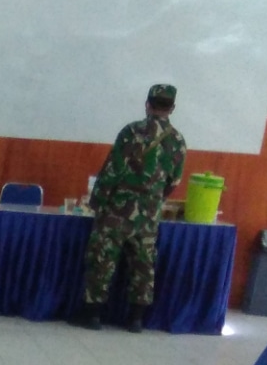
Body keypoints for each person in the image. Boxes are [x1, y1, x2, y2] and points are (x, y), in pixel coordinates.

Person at [71, 84, 187, 333]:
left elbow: (113, 170)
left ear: (147, 104)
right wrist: (153, 200)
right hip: (148, 215)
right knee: (143, 265)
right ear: (173, 108)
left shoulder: (132, 131)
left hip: (117, 210)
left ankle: (92, 315)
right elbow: (174, 181)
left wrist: (97, 201)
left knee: (102, 259)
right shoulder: (177, 140)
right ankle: (136, 320)